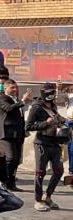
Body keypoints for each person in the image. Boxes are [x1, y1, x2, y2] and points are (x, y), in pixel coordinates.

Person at [25, 82, 68, 212]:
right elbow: (28, 126)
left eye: (53, 92)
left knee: (58, 171)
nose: (51, 95)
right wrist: (45, 123)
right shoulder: (36, 107)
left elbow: (58, 119)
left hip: (55, 143)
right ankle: (37, 201)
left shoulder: (53, 106)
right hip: (41, 144)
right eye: (49, 93)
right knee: (40, 173)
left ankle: (48, 196)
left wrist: (62, 121)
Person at [0, 80, 32, 191]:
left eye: (16, 88)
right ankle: (3, 181)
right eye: (12, 88)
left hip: (18, 134)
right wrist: (23, 101)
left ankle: (11, 183)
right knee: (10, 158)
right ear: (5, 88)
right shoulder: (2, 99)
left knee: (16, 160)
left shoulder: (17, 100)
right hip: (6, 134)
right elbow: (9, 109)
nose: (15, 90)